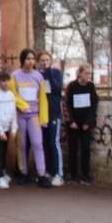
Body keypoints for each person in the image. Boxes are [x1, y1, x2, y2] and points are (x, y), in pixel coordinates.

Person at [12, 48, 51, 188]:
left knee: (37, 143)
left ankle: (42, 174)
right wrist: (23, 106)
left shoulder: (38, 76)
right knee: (21, 144)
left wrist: (44, 118)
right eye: (28, 58)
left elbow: (42, 98)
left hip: (34, 115)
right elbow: (13, 94)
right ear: (23, 60)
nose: (30, 61)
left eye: (32, 59)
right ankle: (23, 172)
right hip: (20, 115)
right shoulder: (15, 75)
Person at [64, 63, 99, 185]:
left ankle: (85, 175)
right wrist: (71, 121)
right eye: (86, 73)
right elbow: (66, 103)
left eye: (90, 73)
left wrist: (89, 122)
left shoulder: (91, 86)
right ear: (80, 73)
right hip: (73, 124)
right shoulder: (72, 86)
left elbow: (94, 104)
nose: (88, 76)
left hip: (85, 124)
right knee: (72, 149)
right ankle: (73, 175)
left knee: (86, 149)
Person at [38, 50, 65, 186]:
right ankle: (48, 170)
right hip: (42, 113)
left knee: (53, 142)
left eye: (47, 60)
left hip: (53, 112)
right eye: (42, 61)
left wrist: (48, 73)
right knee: (44, 143)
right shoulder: (37, 75)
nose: (45, 63)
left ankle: (58, 173)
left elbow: (57, 88)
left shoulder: (55, 73)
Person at [0, 70, 18, 189]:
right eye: (2, 81)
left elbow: (13, 113)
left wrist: (13, 129)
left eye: (7, 81)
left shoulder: (11, 95)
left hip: (7, 128)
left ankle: (1, 172)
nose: (5, 83)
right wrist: (0, 131)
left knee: (3, 153)